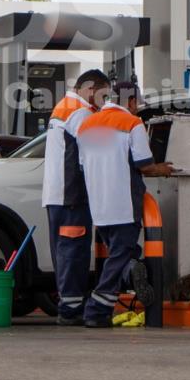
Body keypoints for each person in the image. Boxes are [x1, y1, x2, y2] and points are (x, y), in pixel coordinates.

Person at [76, 81, 174, 328]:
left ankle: (132, 271)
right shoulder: (132, 123)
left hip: (98, 204)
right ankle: (96, 309)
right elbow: (144, 164)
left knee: (122, 253)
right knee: (120, 255)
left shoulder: (86, 125)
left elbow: (82, 164)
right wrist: (163, 169)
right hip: (124, 202)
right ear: (131, 102)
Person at [43, 69, 111, 325]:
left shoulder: (63, 106)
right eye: (104, 94)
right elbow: (93, 151)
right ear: (91, 89)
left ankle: (68, 304)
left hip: (57, 194)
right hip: (72, 195)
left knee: (64, 251)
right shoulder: (80, 112)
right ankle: (71, 310)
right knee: (74, 252)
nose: (105, 101)